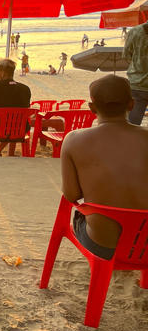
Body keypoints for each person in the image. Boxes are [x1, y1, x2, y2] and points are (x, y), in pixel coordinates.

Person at [61, 75, 148, 259]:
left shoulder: (73, 140)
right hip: (144, 245)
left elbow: (72, 195)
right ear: (131, 104)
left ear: (92, 108)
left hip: (103, 246)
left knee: (81, 218)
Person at [124, 22, 148, 125]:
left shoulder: (134, 31)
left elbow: (126, 55)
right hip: (137, 84)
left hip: (137, 82)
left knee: (133, 123)